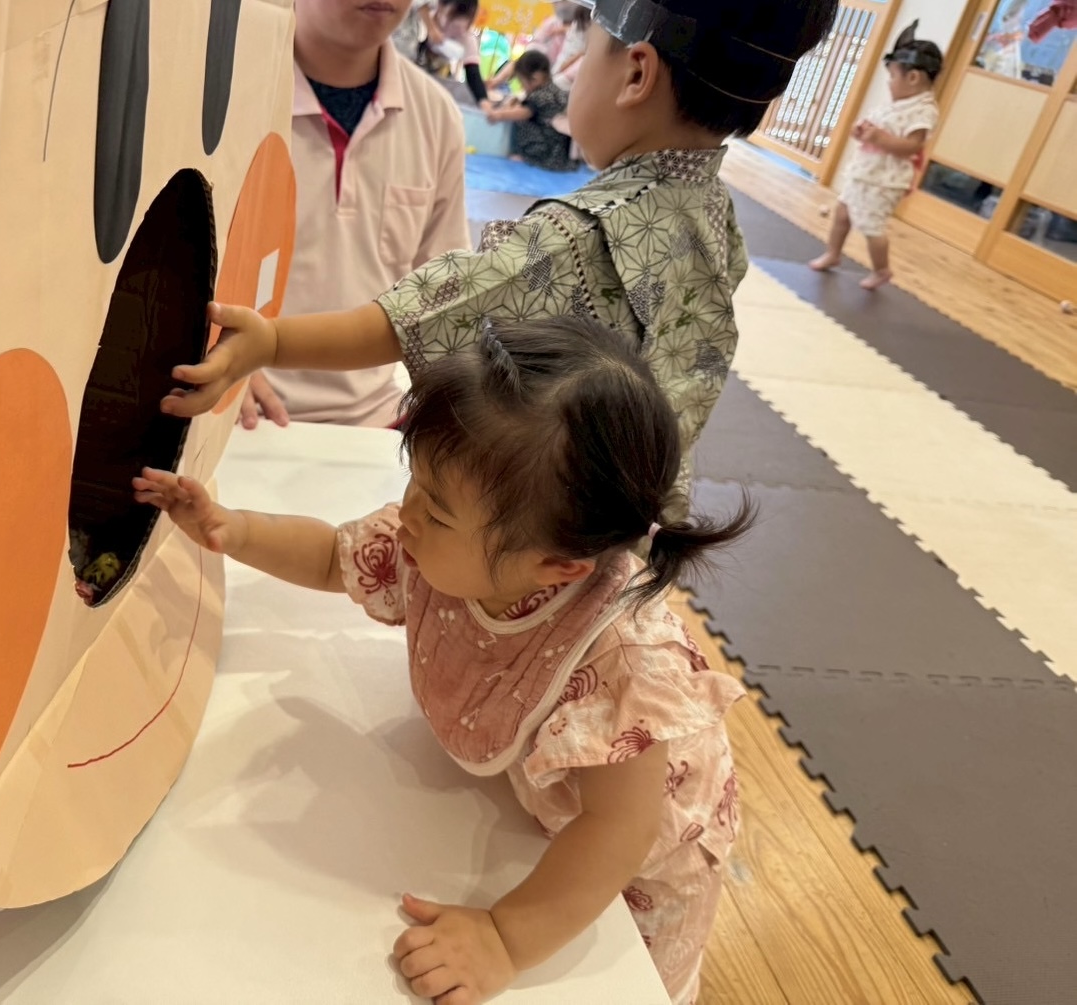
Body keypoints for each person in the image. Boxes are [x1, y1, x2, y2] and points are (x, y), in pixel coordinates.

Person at [136, 318, 754, 1004]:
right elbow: (335, 557)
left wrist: (506, 938)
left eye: (436, 510)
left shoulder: (624, 669)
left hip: (648, 852)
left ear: (557, 566)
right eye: (416, 481)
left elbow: (618, 829)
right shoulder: (437, 545)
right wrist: (235, 529)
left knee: (636, 978)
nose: (406, 514)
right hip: (552, 794)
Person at [169, 0, 841, 524]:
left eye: (586, 55)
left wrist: (272, 341)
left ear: (636, 73)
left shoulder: (574, 232)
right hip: (623, 523)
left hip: (527, 520)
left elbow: (423, 310)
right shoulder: (717, 220)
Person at [243, 0, 470, 430]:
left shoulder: (436, 115)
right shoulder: (234, 87)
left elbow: (444, 288)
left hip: (374, 421)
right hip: (234, 410)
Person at [811, 22, 943, 290]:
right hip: (864, 171)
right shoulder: (893, 105)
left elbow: (912, 147)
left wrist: (880, 139)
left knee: (871, 226)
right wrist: (861, 131)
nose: (889, 83)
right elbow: (874, 127)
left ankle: (882, 270)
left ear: (913, 78)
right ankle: (833, 253)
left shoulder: (923, 110)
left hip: (885, 180)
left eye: (892, 77)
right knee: (842, 213)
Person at [486, 49, 572, 171]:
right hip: (561, 154)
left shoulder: (540, 96)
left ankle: (527, 157)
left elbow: (524, 113)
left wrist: (498, 115)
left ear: (535, 79)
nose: (522, 87)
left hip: (548, 154)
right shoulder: (555, 91)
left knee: (520, 122)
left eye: (522, 82)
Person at [486, 1, 575, 92]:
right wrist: (497, 80)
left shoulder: (579, 31)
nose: (557, 5)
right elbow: (527, 57)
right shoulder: (551, 24)